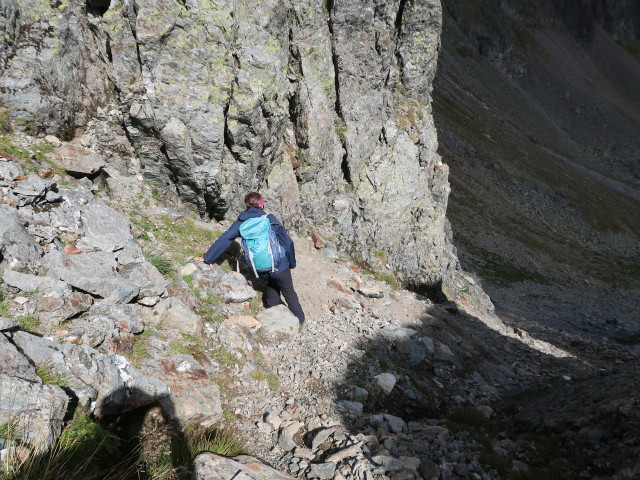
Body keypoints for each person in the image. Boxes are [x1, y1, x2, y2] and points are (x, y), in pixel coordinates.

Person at [197, 192, 305, 323]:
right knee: (289, 293)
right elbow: (288, 242)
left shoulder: (241, 222)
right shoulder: (269, 218)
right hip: (280, 265)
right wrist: (291, 263)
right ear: (261, 203)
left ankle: (274, 313)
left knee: (272, 284)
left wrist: (208, 258)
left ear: (247, 205)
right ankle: (300, 321)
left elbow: (226, 238)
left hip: (260, 268)